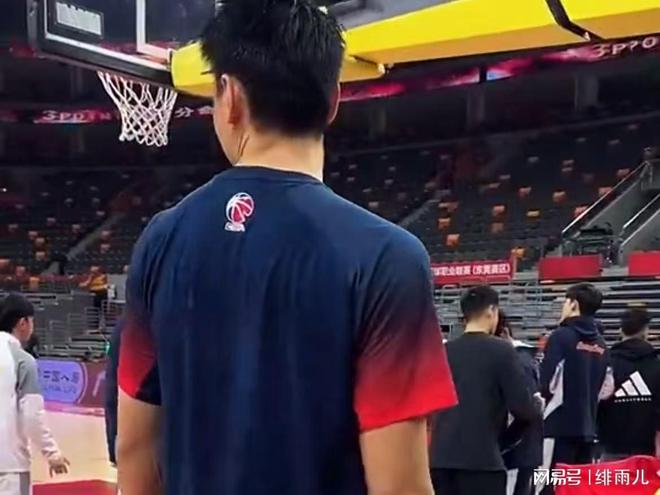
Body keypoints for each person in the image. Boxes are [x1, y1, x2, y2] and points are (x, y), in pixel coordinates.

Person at [116, 1, 457, 495]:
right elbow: (399, 485)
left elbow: (134, 447)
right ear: (333, 101)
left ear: (230, 97)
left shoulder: (161, 239)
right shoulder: (389, 257)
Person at [430, 286, 541, 495]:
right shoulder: (502, 350)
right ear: (491, 311)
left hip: (440, 460)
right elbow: (523, 409)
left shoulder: (443, 351)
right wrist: (503, 441)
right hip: (482, 462)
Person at [539, 283, 610, 495]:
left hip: (557, 427)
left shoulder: (560, 337)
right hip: (588, 429)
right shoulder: (602, 344)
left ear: (573, 305)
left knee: (548, 486)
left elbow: (547, 383)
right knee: (577, 489)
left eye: (565, 302)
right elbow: (607, 388)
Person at [0, 293, 69, 495]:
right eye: (32, 321)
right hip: (10, 465)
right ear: (22, 323)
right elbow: (32, 415)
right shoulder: (23, 361)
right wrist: (52, 453)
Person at [598, 308, 660, 460]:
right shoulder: (656, 364)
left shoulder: (606, 363)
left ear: (621, 331)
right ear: (645, 331)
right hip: (648, 448)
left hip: (611, 446)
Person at [495, 310, 543, 495]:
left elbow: (526, 409)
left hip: (519, 452)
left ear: (503, 334)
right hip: (517, 450)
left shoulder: (519, 362)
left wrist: (504, 443)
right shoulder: (518, 360)